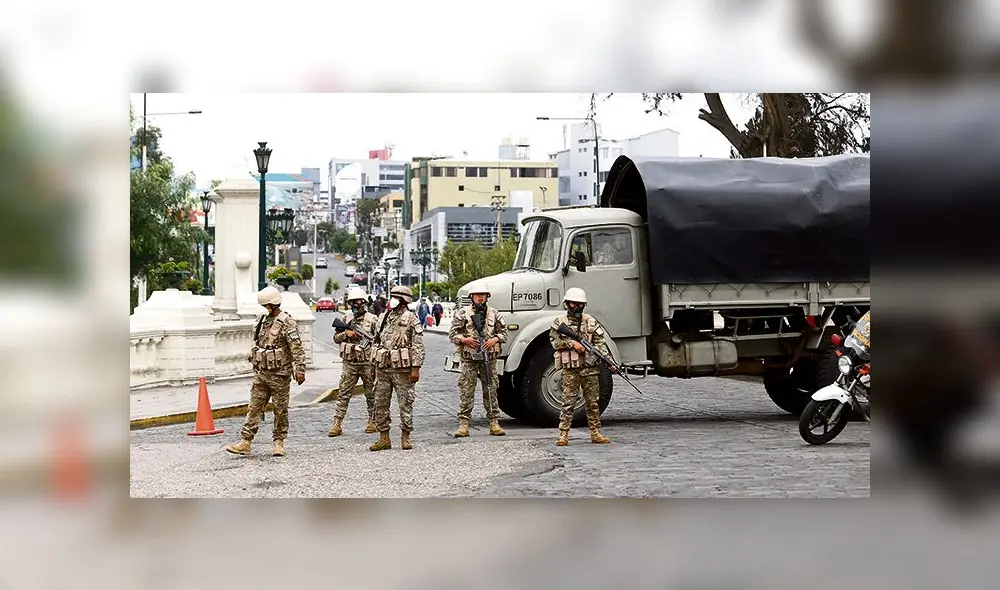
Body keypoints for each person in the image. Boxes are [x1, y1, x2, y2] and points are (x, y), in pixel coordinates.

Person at [226, 286, 306, 457]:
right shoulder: (262, 320)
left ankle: (279, 442)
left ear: (273, 304)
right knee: (254, 407)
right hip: (262, 373)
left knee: (280, 409)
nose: (266, 309)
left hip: (280, 374)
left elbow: (296, 348)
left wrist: (300, 369)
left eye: (267, 305)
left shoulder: (287, 322)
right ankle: (245, 441)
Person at [548, 287, 611, 446]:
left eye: (579, 304)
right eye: (573, 304)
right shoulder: (560, 322)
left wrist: (608, 361)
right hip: (571, 369)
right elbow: (554, 342)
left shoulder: (590, 321)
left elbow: (600, 343)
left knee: (592, 402)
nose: (576, 307)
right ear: (567, 304)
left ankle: (595, 432)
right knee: (568, 402)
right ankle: (563, 434)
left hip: (589, 368)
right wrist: (571, 344)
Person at [369, 285, 425, 451]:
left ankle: (406, 436)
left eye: (396, 297)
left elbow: (418, 346)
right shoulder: (383, 317)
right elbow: (376, 341)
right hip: (383, 369)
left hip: (402, 370)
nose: (392, 300)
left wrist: (416, 368)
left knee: (405, 404)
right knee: (380, 403)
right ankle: (384, 437)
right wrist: (373, 364)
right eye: (392, 296)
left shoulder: (411, 319)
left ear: (404, 300)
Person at [449, 281, 507, 437]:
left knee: (491, 390)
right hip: (469, 359)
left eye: (483, 295)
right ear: (472, 297)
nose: (480, 298)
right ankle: (464, 424)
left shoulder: (494, 314)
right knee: (466, 391)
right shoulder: (463, 313)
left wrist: (494, 340)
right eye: (477, 295)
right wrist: (464, 340)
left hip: (489, 358)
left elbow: (503, 333)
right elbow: (453, 334)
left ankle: (494, 422)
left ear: (487, 297)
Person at [328, 287, 378, 437]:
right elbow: (335, 339)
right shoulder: (346, 319)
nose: (355, 306)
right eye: (352, 303)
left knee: (371, 394)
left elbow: (378, 340)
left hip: (367, 362)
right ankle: (337, 423)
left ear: (364, 302)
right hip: (350, 363)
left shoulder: (373, 319)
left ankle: (373, 420)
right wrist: (346, 333)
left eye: (357, 302)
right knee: (343, 394)